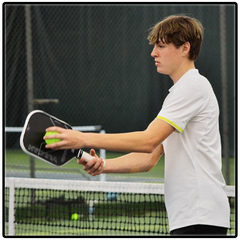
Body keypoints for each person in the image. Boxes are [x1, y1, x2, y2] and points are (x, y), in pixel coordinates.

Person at [44, 15, 230, 236]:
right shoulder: (180, 93)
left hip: (201, 215)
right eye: (154, 46)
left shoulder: (192, 86)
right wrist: (102, 165)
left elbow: (147, 140)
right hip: (191, 217)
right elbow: (149, 156)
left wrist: (81, 138)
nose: (153, 53)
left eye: (161, 46)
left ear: (185, 48)